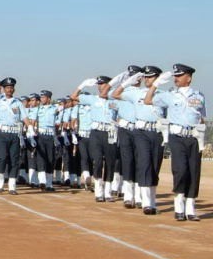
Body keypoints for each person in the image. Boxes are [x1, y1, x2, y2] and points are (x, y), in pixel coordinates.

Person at [144, 64, 206, 221]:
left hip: (194, 137)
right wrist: (156, 84)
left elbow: (202, 117)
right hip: (176, 137)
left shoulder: (199, 96)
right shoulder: (169, 95)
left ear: (189, 78)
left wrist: (202, 138)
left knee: (194, 171)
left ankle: (190, 207)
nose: (176, 79)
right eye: (175, 76)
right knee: (180, 170)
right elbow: (147, 100)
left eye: (179, 76)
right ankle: (179, 206)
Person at [113, 65, 165, 215]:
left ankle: (151, 201)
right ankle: (145, 202)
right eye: (146, 77)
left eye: (151, 77)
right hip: (140, 132)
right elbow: (115, 94)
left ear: (158, 79)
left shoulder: (163, 95)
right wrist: (126, 82)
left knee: (155, 166)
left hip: (157, 132)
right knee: (143, 163)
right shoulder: (137, 93)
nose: (147, 79)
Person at [71, 76, 118, 203]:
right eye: (99, 84)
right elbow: (74, 97)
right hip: (96, 133)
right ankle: (98, 191)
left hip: (110, 133)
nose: (100, 86)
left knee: (110, 162)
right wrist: (82, 85)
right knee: (97, 161)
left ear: (109, 85)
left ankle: (107, 191)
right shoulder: (92, 99)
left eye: (103, 84)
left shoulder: (114, 99)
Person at [0, 77, 30, 194]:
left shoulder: (18, 103)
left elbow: (24, 117)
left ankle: (12, 186)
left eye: (11, 88)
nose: (9, 90)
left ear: (14, 89)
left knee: (14, 160)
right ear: (3, 89)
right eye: (7, 88)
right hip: (2, 134)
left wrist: (30, 127)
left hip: (15, 134)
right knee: (1, 158)